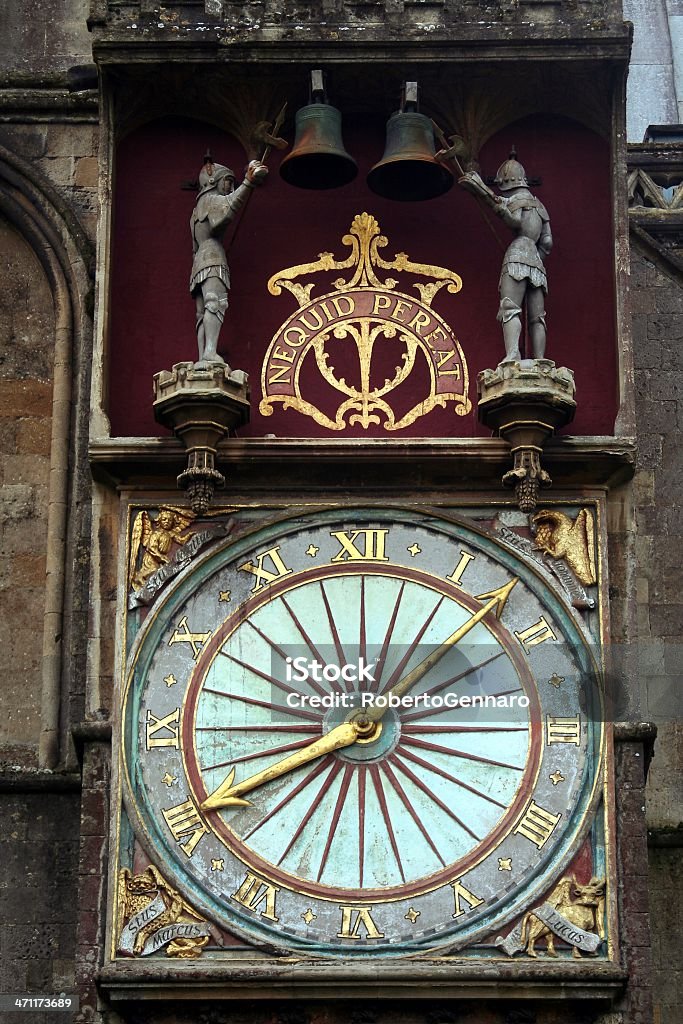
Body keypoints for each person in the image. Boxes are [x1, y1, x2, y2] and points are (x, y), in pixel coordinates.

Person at [458, 150, 552, 362]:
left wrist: (489, 200)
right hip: (536, 262)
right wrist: (535, 260)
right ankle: (540, 359)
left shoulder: (517, 199)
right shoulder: (540, 206)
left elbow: (514, 220)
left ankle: (512, 355)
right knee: (538, 318)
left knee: (510, 308)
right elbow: (547, 242)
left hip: (517, 254)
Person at [190, 156, 268, 368]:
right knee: (216, 303)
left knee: (204, 310)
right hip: (213, 256)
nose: (230, 186)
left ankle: (204, 355)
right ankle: (209, 352)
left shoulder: (198, 207)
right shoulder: (211, 201)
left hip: (199, 260)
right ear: (214, 181)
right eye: (228, 181)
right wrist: (247, 182)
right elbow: (226, 211)